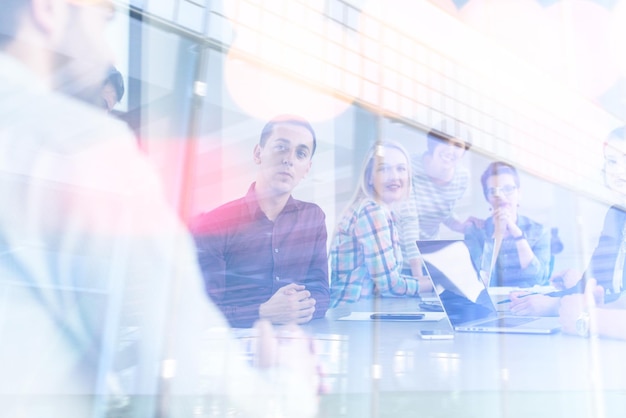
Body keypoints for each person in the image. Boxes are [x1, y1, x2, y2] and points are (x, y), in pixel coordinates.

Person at [0, 1, 318, 417]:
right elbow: (179, 346)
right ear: (49, 10)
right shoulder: (83, 143)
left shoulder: (311, 217)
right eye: (105, 19)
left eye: (302, 153)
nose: (108, 54)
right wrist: (289, 386)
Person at [192, 115, 330, 328]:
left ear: (307, 168)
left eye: (300, 153)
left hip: (297, 344)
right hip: (232, 350)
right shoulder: (215, 223)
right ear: (258, 154)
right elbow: (203, 309)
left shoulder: (313, 218)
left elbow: (321, 292)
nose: (289, 159)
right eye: (281, 147)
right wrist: (262, 312)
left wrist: (296, 307)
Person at [511, 126, 626, 325]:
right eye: (612, 162)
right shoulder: (616, 215)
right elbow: (596, 283)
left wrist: (555, 305)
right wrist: (555, 296)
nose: (618, 171)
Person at [329, 140, 432, 311]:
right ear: (369, 177)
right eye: (384, 169)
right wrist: (438, 284)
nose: (395, 176)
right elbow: (390, 285)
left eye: (401, 168)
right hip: (350, 318)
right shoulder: (371, 211)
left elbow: (381, 283)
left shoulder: (383, 212)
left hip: (362, 315)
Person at [464, 161, 551, 287]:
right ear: (487, 198)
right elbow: (479, 281)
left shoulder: (539, 231)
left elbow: (538, 279)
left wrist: (517, 234)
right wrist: (498, 234)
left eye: (508, 189)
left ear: (519, 193)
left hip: (525, 302)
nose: (501, 196)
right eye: (493, 191)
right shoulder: (475, 231)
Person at [403, 120, 480, 240]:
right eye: (444, 141)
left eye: (458, 146)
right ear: (433, 143)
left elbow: (442, 211)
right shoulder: (408, 166)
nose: (450, 150)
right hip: (400, 245)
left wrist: (459, 226)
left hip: (429, 245)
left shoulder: (462, 178)